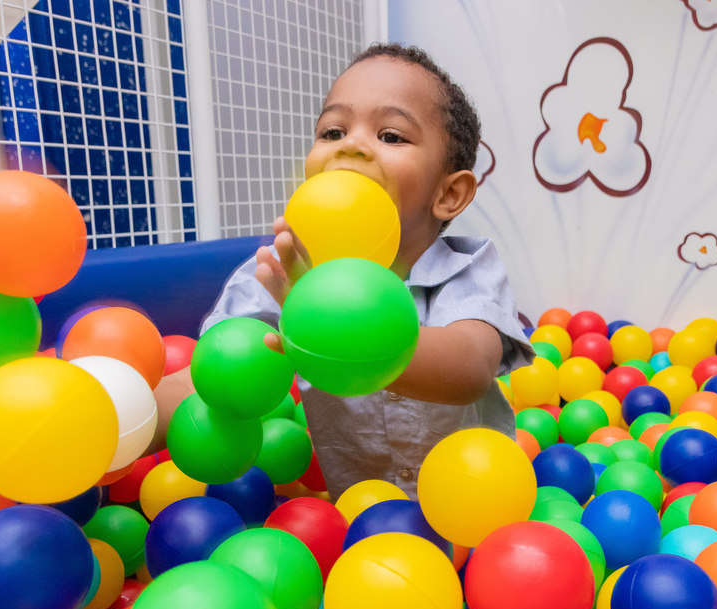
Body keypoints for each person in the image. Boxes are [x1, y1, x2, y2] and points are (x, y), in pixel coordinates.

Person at [154, 42, 533, 499]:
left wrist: (342, 335)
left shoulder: (467, 269)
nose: (352, 145)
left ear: (448, 194)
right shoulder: (282, 273)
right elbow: (215, 374)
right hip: (355, 523)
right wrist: (118, 424)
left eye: (391, 136)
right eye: (332, 131)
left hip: (476, 509)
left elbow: (470, 367)